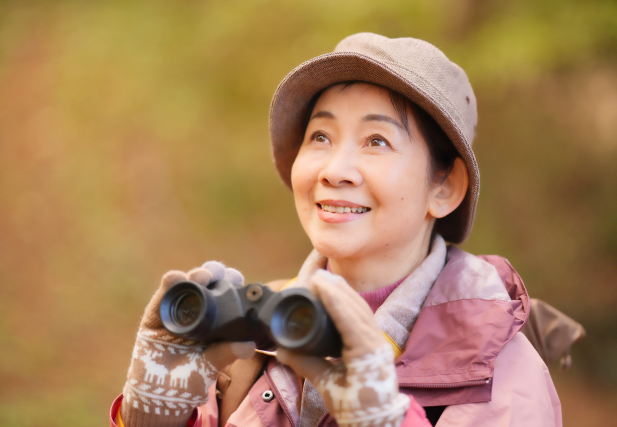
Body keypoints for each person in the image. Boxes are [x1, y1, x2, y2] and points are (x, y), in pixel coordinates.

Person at [110, 33, 562, 427]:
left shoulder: (498, 374)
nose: (335, 169)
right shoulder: (250, 341)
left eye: (376, 141)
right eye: (320, 137)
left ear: (445, 187)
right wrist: (154, 414)